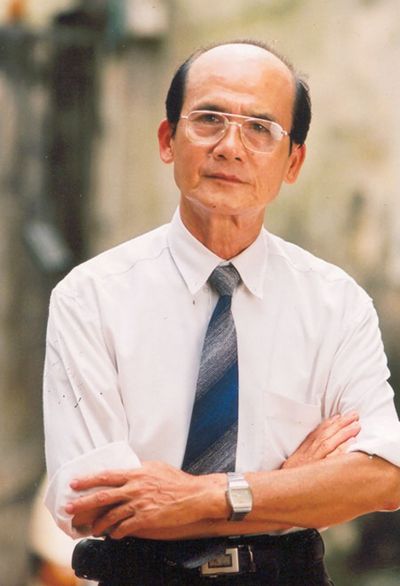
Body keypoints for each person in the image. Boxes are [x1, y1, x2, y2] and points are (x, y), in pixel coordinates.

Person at [43, 40, 400, 585]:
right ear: (167, 140)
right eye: (209, 119)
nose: (231, 147)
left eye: (260, 128)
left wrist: (209, 494)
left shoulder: (336, 303)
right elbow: (98, 507)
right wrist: (292, 486)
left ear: (293, 162)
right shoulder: (90, 297)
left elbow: (383, 479)